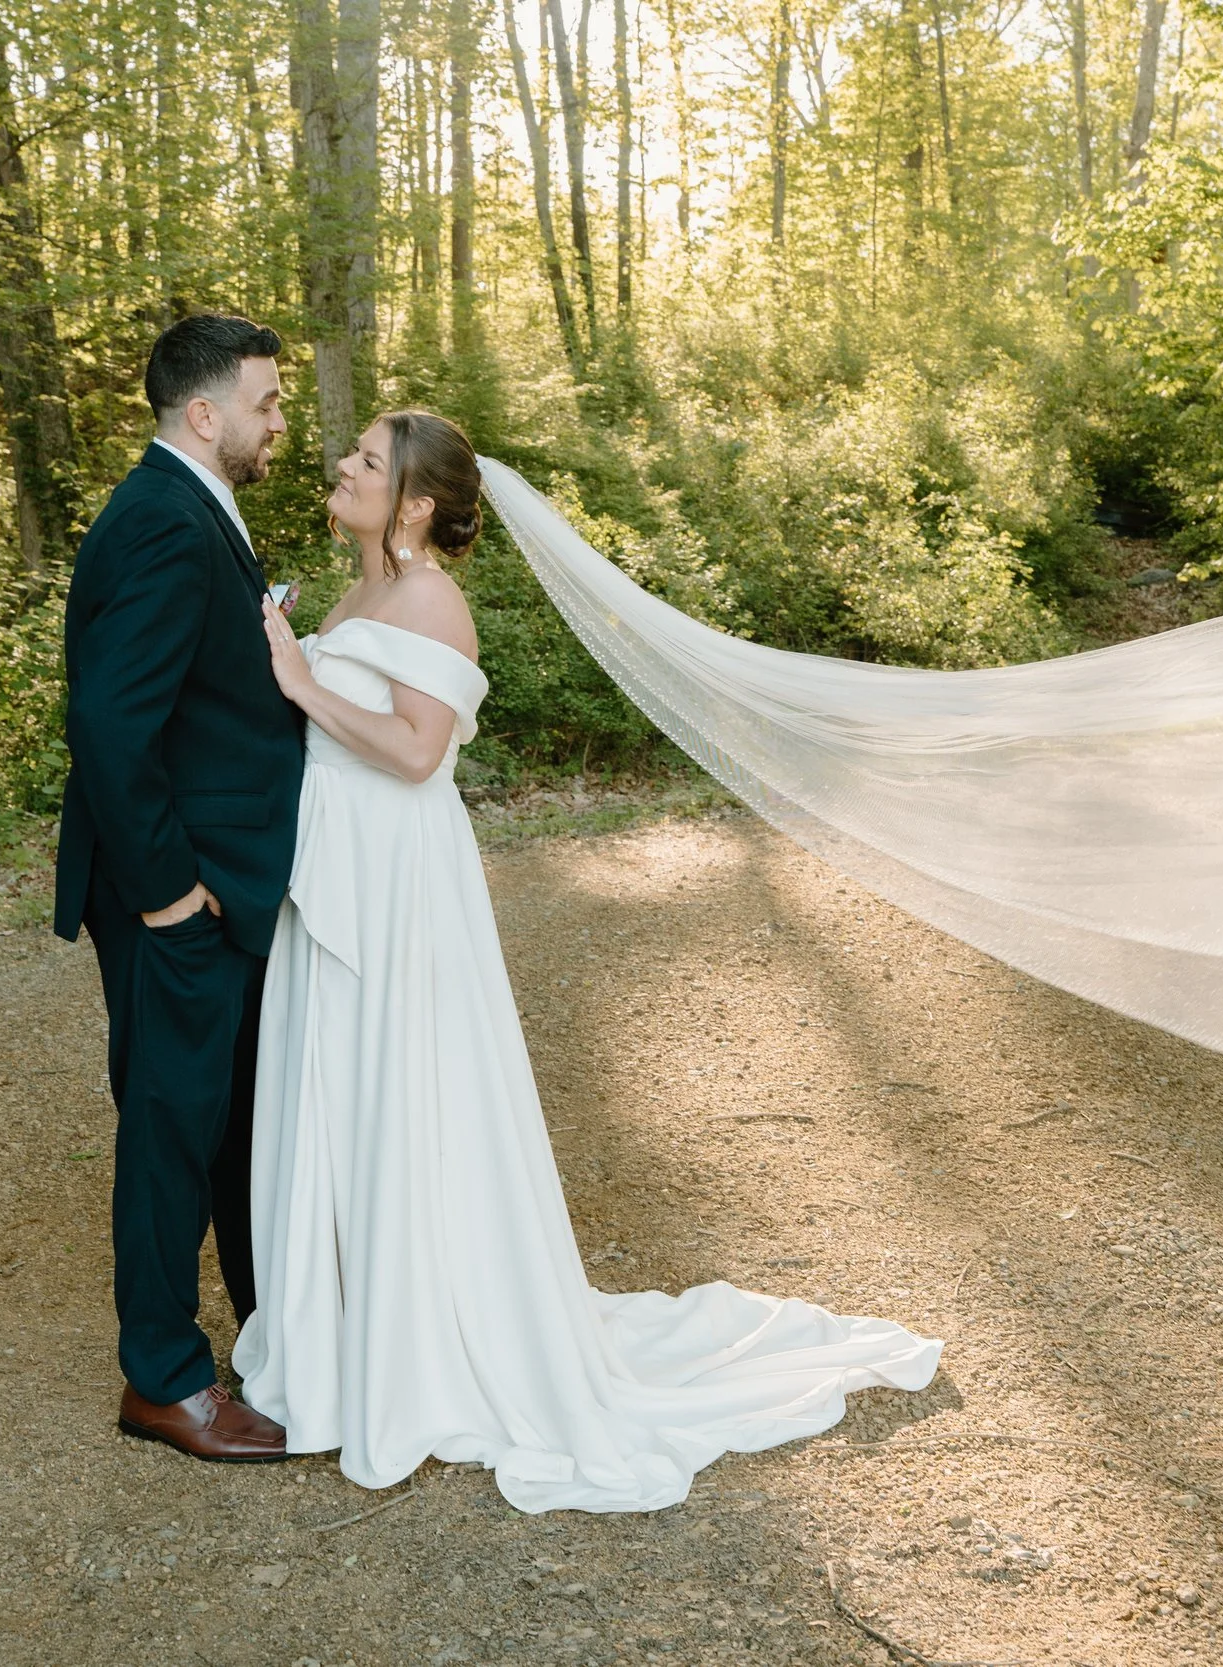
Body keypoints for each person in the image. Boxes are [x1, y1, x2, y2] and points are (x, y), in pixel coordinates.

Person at [232, 409, 940, 1513]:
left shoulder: (429, 598)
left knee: (403, 1090)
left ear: (415, 503)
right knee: (346, 1088)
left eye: (368, 460)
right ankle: (357, 1328)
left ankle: (426, 1345)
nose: (343, 466)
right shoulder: (359, 592)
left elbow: (418, 753)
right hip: (343, 868)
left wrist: (297, 678)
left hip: (399, 878)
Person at [54, 314, 303, 1463]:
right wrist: (165, 894)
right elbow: (111, 722)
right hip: (177, 892)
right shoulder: (160, 516)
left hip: (220, 883)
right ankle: (163, 1381)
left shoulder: (188, 504)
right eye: (264, 401)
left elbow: (182, 684)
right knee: (169, 1122)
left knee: (230, 1117)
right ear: (204, 413)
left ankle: (273, 1335)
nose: (278, 420)